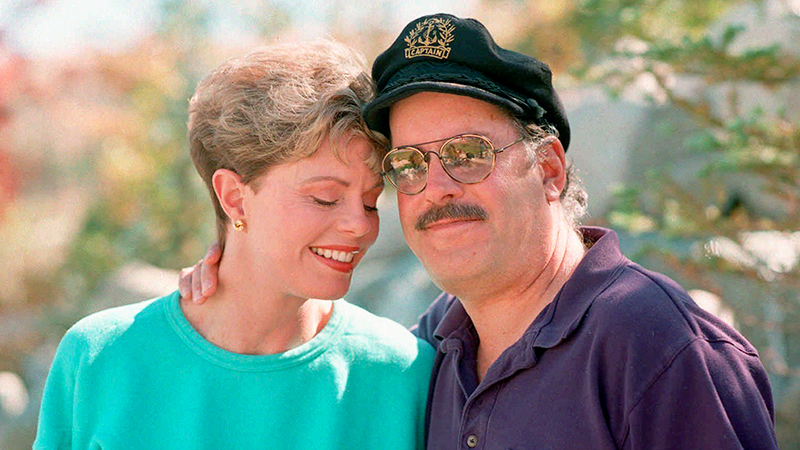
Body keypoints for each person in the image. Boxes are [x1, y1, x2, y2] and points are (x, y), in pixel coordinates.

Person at [181, 14, 779, 449]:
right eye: (408, 164)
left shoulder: (661, 350)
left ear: (548, 170)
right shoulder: (434, 347)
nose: (436, 188)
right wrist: (241, 272)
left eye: (467, 154)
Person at [34, 41, 434, 450]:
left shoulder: (403, 374)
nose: (360, 225)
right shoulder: (99, 359)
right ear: (235, 198)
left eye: (370, 200)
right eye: (325, 197)